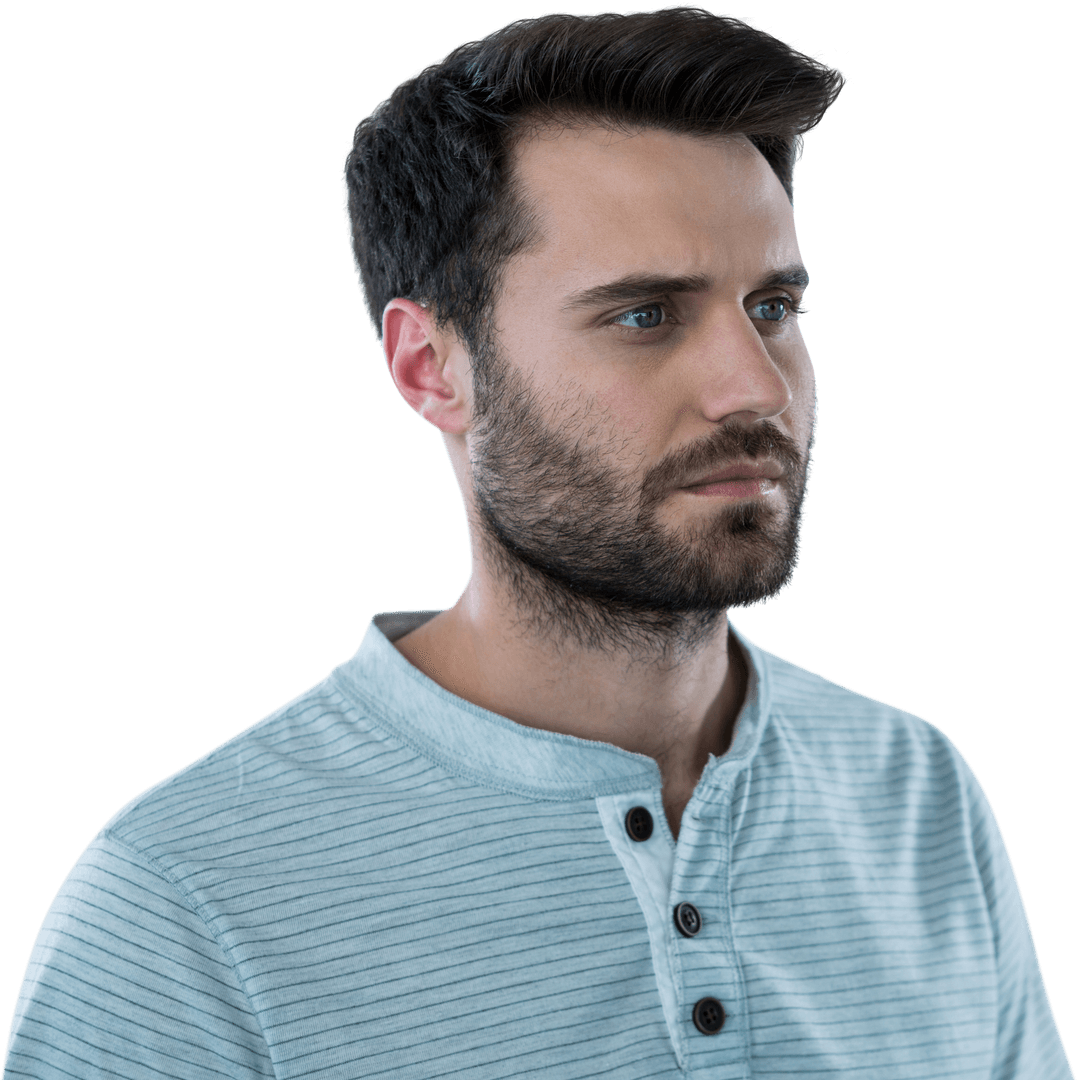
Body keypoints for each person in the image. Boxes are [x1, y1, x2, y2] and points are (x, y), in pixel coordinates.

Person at [5, 7, 1071, 1077]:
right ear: (430, 367)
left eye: (772, 306)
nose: (755, 388)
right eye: (645, 315)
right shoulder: (179, 909)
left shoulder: (916, 792)